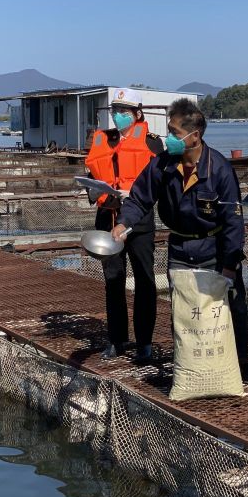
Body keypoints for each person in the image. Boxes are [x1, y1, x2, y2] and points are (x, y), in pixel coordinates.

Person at [112, 98, 248, 364]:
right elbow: (140, 198)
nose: (169, 138)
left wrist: (231, 264)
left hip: (214, 247)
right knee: (185, 311)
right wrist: (123, 222)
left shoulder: (219, 169)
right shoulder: (163, 164)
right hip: (179, 247)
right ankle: (189, 363)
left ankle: (240, 363)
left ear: (194, 136)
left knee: (228, 308)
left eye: (174, 133)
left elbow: (234, 220)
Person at [85, 88, 163, 361]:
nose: (118, 117)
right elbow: (91, 176)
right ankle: (117, 340)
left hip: (139, 220)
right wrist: (93, 191)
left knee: (145, 280)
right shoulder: (102, 141)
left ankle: (145, 342)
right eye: (115, 112)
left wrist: (136, 195)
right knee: (113, 281)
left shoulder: (153, 144)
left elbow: (158, 184)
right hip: (108, 218)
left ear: (137, 114)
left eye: (124, 112)